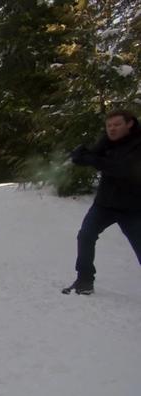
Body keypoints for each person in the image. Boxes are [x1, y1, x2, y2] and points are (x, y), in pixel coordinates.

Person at [64, 109, 141, 295]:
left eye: (117, 125)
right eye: (109, 126)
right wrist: (80, 155)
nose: (112, 129)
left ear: (129, 124)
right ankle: (84, 280)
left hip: (132, 207)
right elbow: (93, 156)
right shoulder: (107, 141)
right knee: (85, 235)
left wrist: (92, 159)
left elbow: (123, 169)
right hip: (105, 203)